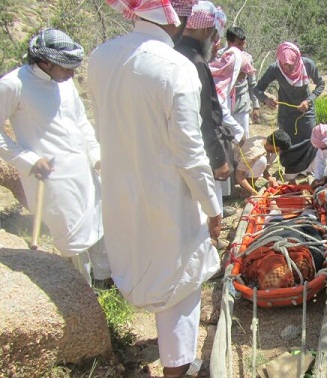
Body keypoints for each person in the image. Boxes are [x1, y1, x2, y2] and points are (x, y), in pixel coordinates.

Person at [88, 1, 221, 377]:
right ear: (176, 18)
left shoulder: (100, 56)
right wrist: (212, 207)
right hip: (167, 196)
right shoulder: (175, 67)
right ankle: (176, 368)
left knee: (143, 263)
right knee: (180, 284)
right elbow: (191, 154)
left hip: (120, 189)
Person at [0, 29, 111, 287]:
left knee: (100, 227)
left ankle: (107, 288)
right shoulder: (13, 84)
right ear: (45, 62)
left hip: (84, 169)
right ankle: (83, 297)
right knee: (72, 238)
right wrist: (27, 160)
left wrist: (96, 154)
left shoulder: (65, 83)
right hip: (52, 177)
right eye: (66, 67)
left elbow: (81, 121)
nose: (72, 73)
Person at [174, 1, 234, 221]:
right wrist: (218, 159)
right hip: (200, 153)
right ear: (207, 30)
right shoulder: (196, 62)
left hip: (179, 153)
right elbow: (203, 118)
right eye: (213, 36)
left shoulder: (174, 52)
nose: (214, 42)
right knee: (207, 210)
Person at [210, 43, 255, 212]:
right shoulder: (218, 81)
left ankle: (219, 206)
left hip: (219, 131)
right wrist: (239, 131)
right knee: (214, 170)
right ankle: (215, 211)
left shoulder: (226, 82)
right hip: (211, 133)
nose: (243, 78)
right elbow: (220, 110)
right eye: (242, 73)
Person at [254, 42, 325, 145]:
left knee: (310, 145)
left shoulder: (308, 65)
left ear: (296, 59)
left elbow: (321, 84)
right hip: (286, 115)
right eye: (284, 65)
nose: (287, 69)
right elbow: (257, 89)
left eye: (290, 66)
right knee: (287, 146)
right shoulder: (275, 68)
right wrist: (266, 99)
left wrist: (309, 101)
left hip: (306, 113)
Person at [223, 26, 260, 138]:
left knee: (243, 138)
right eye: (239, 44)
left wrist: (256, 105)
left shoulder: (247, 58)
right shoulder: (221, 57)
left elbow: (252, 84)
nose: (242, 48)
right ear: (229, 43)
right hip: (224, 105)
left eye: (243, 44)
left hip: (241, 103)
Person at [234, 130, 291, 196]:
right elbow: (239, 175)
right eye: (277, 149)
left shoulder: (266, 143)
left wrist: (270, 178)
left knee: (266, 159)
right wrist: (252, 191)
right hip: (235, 172)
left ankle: (249, 186)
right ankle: (246, 189)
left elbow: (263, 168)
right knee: (262, 160)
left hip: (245, 170)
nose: (277, 152)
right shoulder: (254, 152)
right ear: (274, 144)